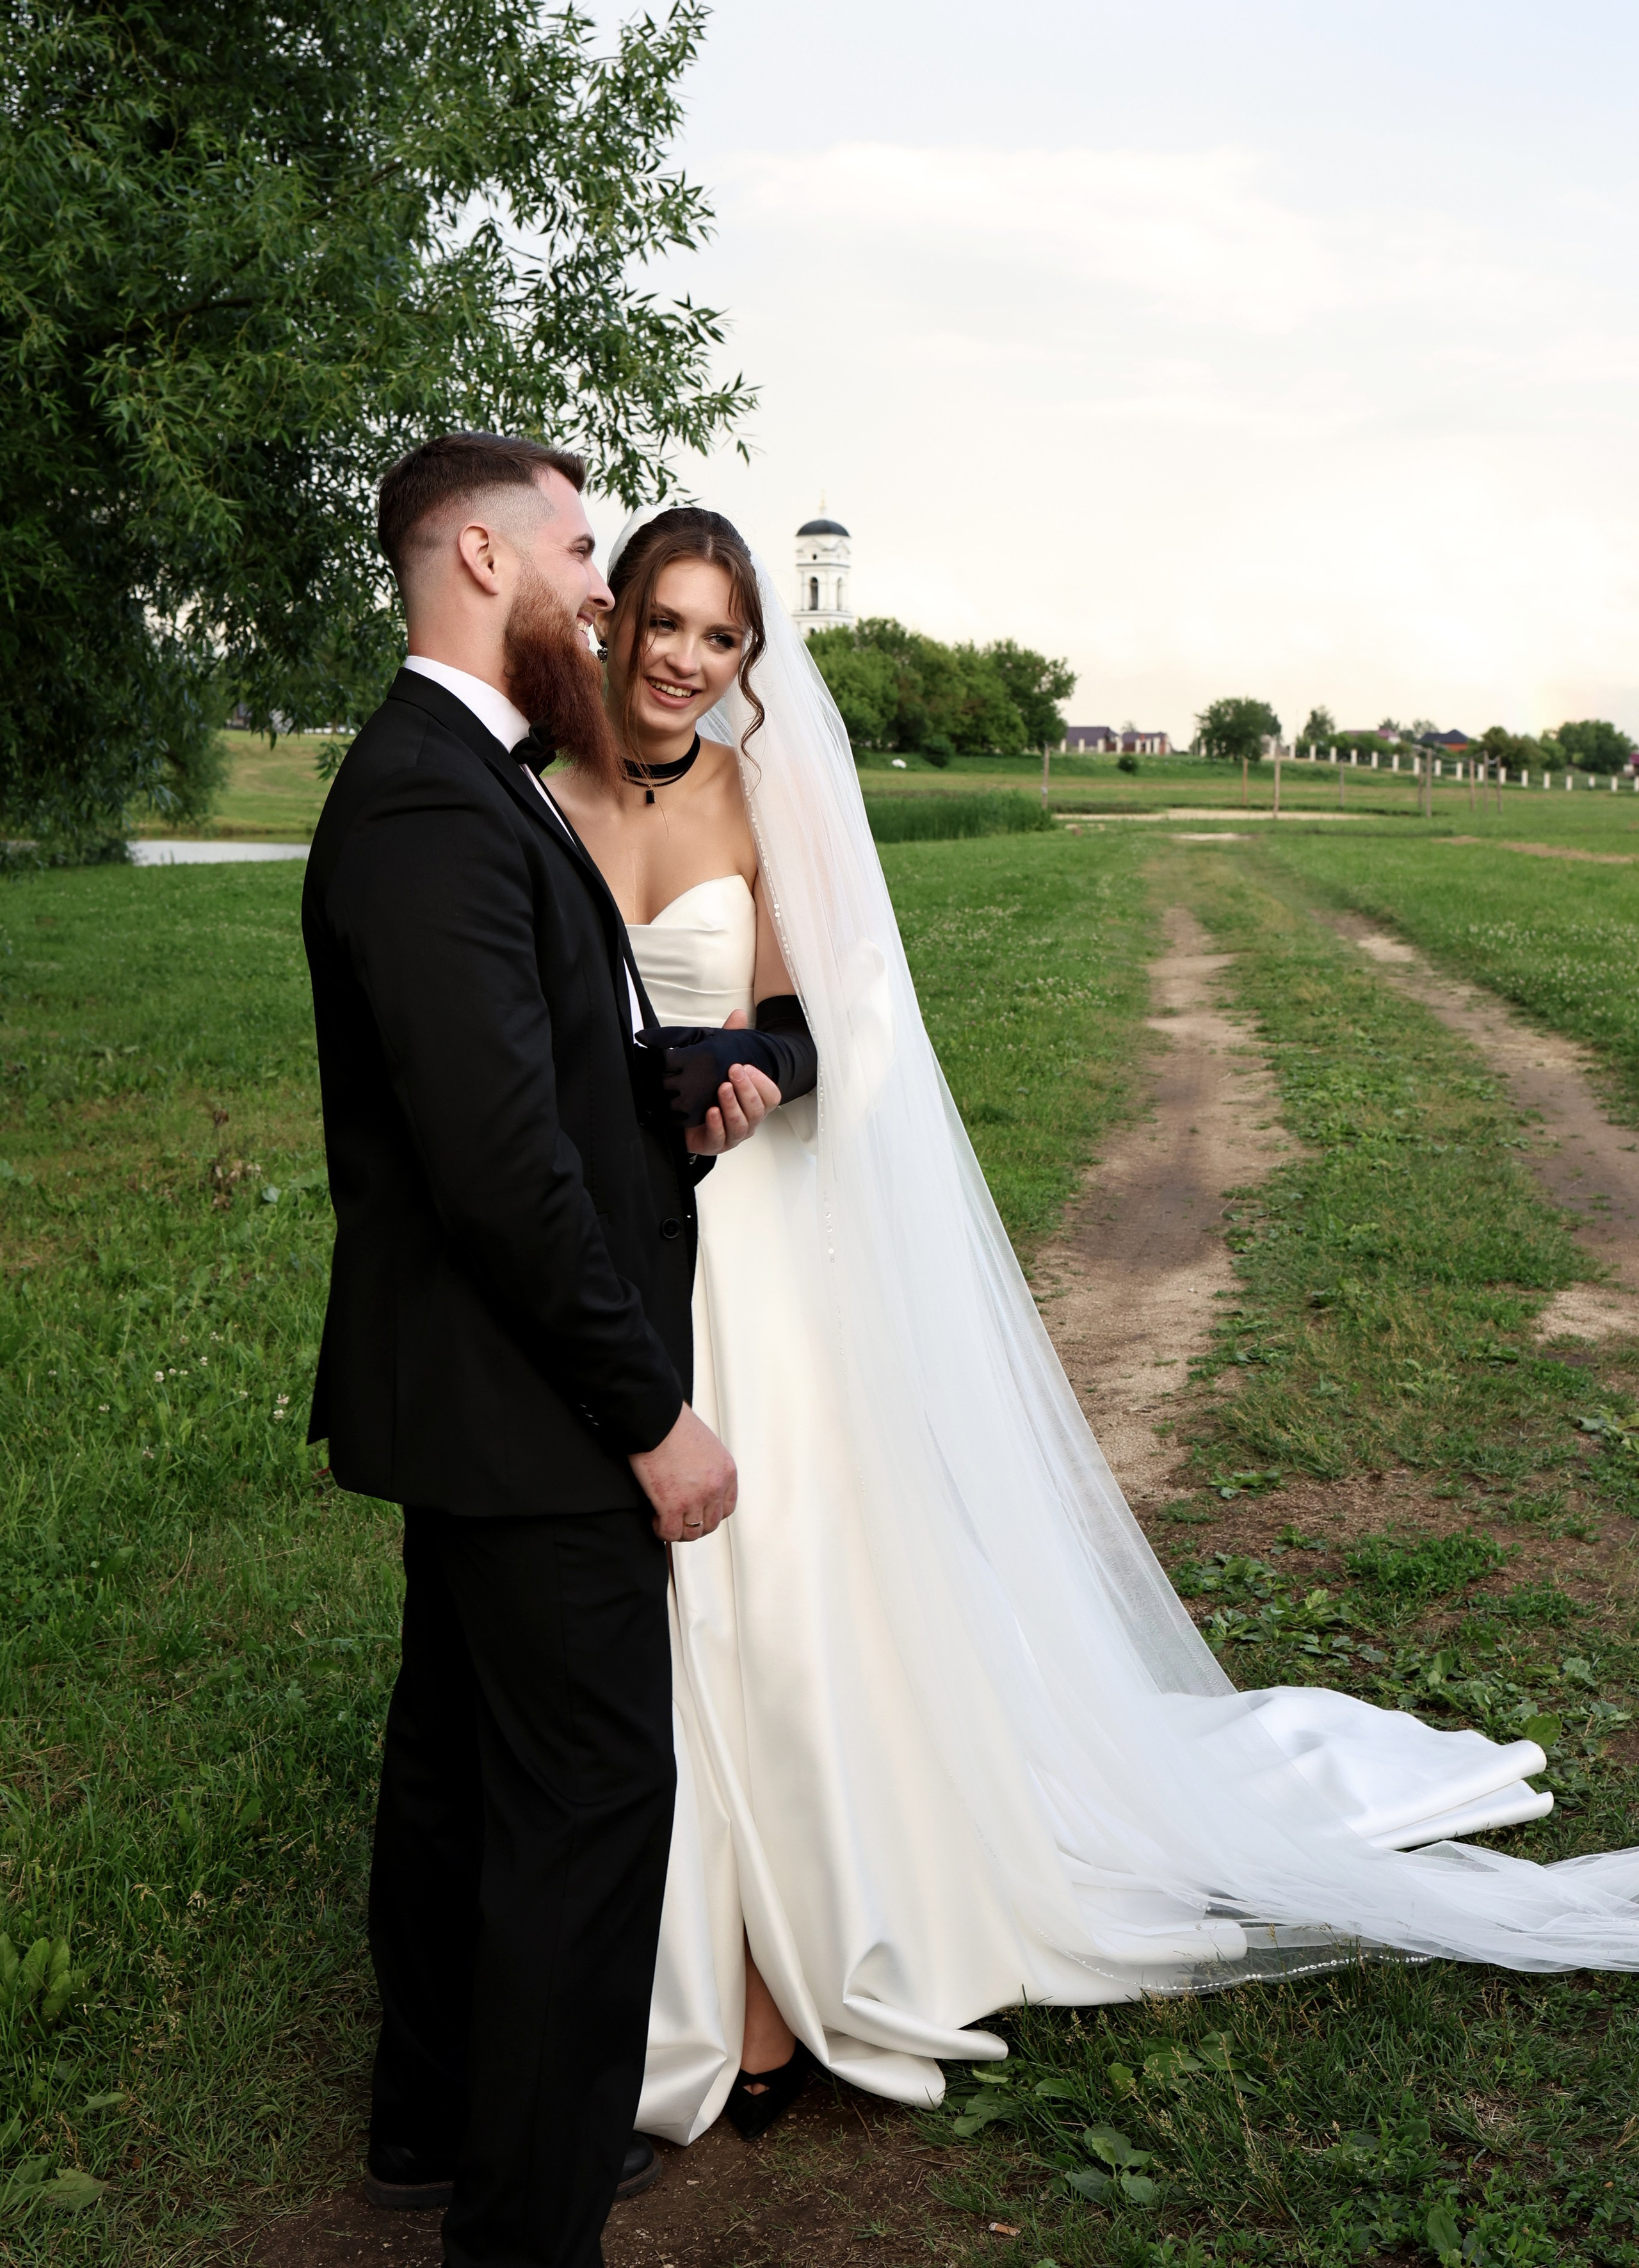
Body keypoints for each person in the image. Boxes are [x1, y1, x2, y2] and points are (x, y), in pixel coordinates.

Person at [551, 505, 1639, 2153]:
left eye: (720, 638)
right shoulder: (542, 799)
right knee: (653, 1605)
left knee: (775, 1592)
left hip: (754, 1238)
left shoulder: (755, 794)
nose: (686, 661)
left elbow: (819, 1018)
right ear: (613, 623)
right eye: (664, 625)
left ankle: (800, 1965)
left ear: (747, 658)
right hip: (615, 1251)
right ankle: (686, 1960)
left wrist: (759, 1067)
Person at [301, 436, 777, 2268]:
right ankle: (526, 2217)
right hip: (533, 1408)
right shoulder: (433, 801)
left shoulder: (458, 777)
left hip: (478, 1404)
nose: (600, 582)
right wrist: (649, 1412)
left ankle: (427, 2120)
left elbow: (538, 1096)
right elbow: (501, 1172)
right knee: (590, 1799)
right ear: (483, 557)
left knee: (453, 1771)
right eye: (582, 550)